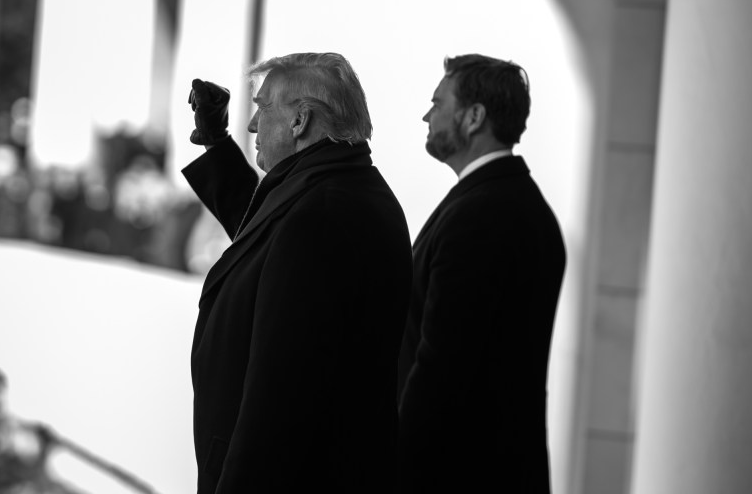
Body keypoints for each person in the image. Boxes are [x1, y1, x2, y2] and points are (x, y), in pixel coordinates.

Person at [184, 52, 412, 494]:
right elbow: (266, 234)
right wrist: (215, 142)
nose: (251, 124)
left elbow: (276, 401)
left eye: (263, 107)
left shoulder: (324, 214)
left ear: (300, 120)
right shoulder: (338, 188)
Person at [397, 54, 566, 493]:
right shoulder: (513, 202)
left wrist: (391, 465)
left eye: (437, 103)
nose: (426, 115)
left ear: (473, 117)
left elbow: (440, 368)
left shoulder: (482, 214)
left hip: (459, 472)